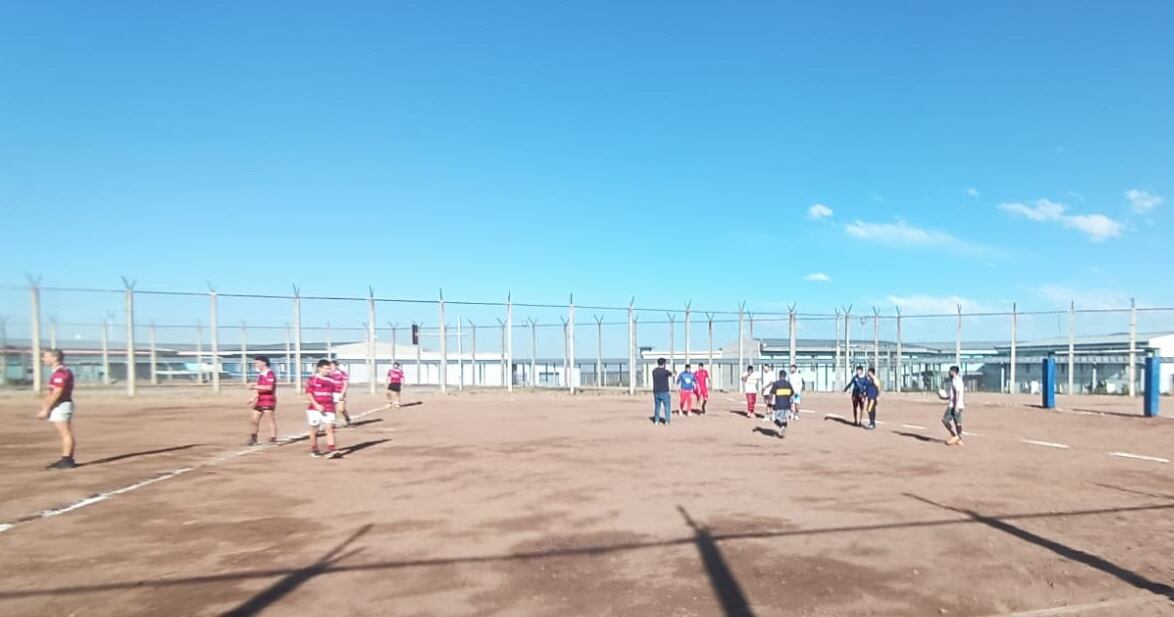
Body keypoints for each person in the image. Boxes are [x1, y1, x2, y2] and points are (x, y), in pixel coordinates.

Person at [37, 350, 76, 469]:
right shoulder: (57, 373)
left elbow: (57, 393)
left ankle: (67, 460)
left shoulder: (61, 373)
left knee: (65, 433)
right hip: (59, 405)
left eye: (45, 356)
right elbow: (52, 392)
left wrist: (46, 409)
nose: (43, 359)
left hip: (61, 405)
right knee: (64, 433)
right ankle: (66, 458)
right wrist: (45, 406)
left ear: (54, 358)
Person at [306, 359, 342, 458]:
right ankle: (314, 448)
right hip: (314, 408)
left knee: (329, 428)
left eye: (329, 369)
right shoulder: (312, 379)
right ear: (320, 368)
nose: (328, 371)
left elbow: (334, 393)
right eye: (326, 369)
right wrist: (316, 404)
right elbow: (309, 393)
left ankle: (332, 449)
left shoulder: (331, 380)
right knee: (314, 429)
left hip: (329, 407)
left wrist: (337, 403)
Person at [247, 356, 278, 445]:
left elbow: (269, 387)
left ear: (264, 363)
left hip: (268, 400)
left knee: (270, 420)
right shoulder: (260, 375)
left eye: (257, 363)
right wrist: (253, 398)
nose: (256, 365)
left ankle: (273, 438)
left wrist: (253, 386)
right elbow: (260, 390)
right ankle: (253, 438)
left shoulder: (270, 374)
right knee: (254, 420)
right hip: (260, 400)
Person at [762, 369, 794, 439]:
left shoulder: (776, 384)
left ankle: (782, 427)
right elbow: (792, 395)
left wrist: (769, 401)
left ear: (779, 376)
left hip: (779, 405)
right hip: (787, 405)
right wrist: (791, 405)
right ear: (785, 376)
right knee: (785, 419)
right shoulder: (788, 384)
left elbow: (771, 394)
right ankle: (783, 431)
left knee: (775, 419)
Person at [940, 365, 966, 446]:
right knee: (957, 422)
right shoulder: (957, 380)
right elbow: (954, 394)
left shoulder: (956, 380)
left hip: (954, 405)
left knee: (945, 420)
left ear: (953, 372)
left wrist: (956, 406)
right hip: (956, 404)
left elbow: (958, 393)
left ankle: (955, 436)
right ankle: (958, 439)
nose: (949, 373)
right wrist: (945, 397)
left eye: (950, 371)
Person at [329, 360, 352, 427]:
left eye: (332, 366)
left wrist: (342, 393)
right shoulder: (328, 374)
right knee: (331, 409)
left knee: (341, 409)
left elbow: (345, 384)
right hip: (331, 393)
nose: (331, 367)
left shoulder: (342, 373)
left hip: (339, 393)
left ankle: (347, 419)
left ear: (336, 366)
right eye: (330, 366)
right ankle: (332, 423)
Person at [651, 358, 673, 425]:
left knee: (657, 406)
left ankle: (656, 421)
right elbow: (672, 374)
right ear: (664, 363)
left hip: (656, 391)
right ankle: (667, 420)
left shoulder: (654, 371)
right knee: (667, 406)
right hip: (665, 391)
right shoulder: (665, 371)